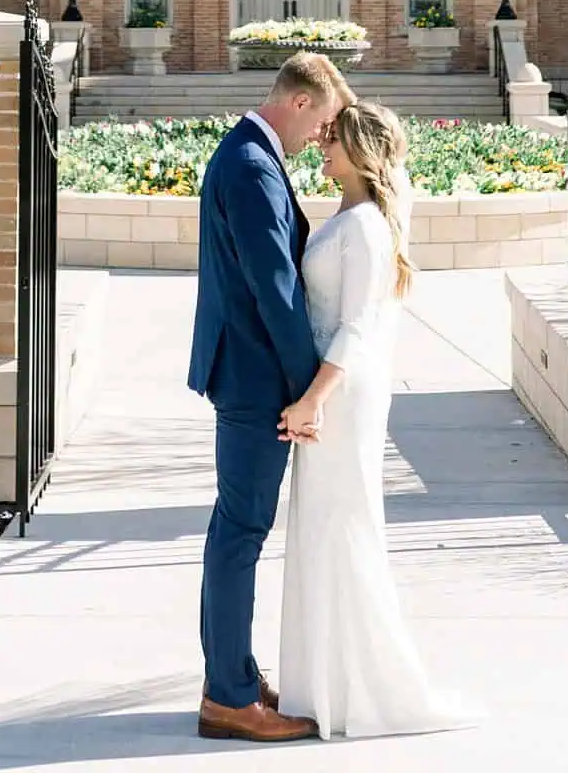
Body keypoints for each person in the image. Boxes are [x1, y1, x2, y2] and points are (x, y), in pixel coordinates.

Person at [277, 102, 477, 740]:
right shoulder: (348, 212)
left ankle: (364, 689)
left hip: (342, 396)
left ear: (361, 152)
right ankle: (322, 685)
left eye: (333, 140)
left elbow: (359, 325)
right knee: (321, 527)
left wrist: (314, 400)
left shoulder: (365, 227)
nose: (322, 145)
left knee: (343, 524)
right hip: (327, 391)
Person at [189, 51, 353, 745]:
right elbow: (274, 287)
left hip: (246, 371)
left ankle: (234, 676)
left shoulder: (246, 153)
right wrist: (306, 388)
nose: (321, 139)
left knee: (234, 529)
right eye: (324, 124)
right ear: (301, 102)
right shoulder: (253, 165)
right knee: (241, 533)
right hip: (259, 379)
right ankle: (230, 697)